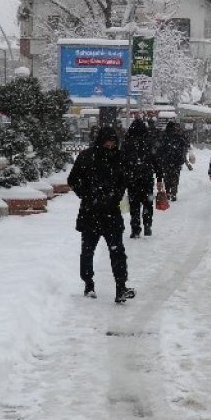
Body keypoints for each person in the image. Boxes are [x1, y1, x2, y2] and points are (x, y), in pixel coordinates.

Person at [67, 127, 135, 303]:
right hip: (90, 212)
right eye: (107, 142)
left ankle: (121, 287)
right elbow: (73, 179)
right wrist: (86, 194)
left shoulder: (119, 158)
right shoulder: (87, 157)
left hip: (112, 212)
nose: (110, 145)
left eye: (113, 142)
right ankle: (88, 284)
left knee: (117, 251)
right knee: (88, 251)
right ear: (100, 141)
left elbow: (125, 179)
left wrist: (117, 194)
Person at [122, 120, 163, 238]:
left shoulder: (126, 143)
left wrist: (122, 178)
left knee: (134, 204)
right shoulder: (149, 142)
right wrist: (159, 178)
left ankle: (135, 229)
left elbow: (122, 162)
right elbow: (156, 161)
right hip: (147, 177)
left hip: (132, 178)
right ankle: (147, 225)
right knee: (147, 202)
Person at [156, 122, 190, 200]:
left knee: (167, 177)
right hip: (176, 161)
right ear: (173, 127)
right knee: (175, 177)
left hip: (166, 161)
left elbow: (159, 148)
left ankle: (168, 192)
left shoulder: (163, 136)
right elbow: (184, 145)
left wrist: (161, 158)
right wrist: (181, 156)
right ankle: (174, 193)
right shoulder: (178, 136)